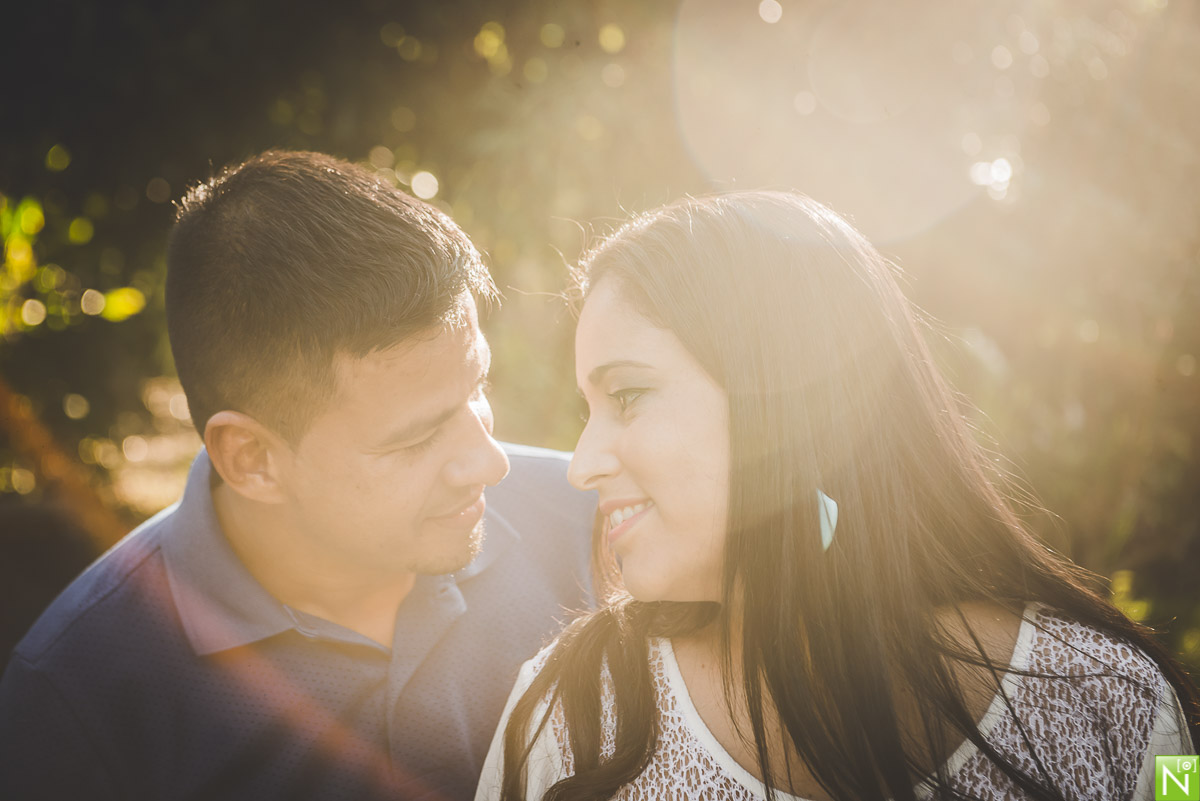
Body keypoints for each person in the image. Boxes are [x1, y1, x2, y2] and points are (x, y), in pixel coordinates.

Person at [477, 191, 1199, 801]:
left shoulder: (1128, 706)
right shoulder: (563, 718)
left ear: (798, 408)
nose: (582, 464)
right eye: (587, 409)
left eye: (628, 395)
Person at [0, 151, 594, 801]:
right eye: (418, 436)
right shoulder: (77, 698)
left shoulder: (594, 526)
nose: (490, 462)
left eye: (477, 387)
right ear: (252, 458)